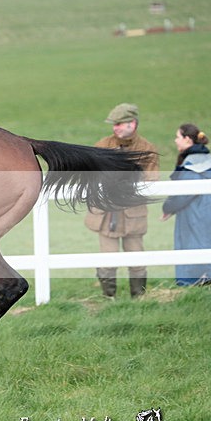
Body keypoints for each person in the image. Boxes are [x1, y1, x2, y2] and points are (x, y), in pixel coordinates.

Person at [84, 103, 159, 298]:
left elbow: (152, 179)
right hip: (106, 215)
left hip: (133, 214)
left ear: (132, 123)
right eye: (114, 124)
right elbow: (90, 175)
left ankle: (139, 298)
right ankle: (108, 299)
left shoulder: (147, 148)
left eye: (119, 124)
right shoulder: (103, 145)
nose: (115, 128)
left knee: (136, 259)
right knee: (108, 260)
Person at [161, 124, 211, 287]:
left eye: (177, 137)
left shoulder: (194, 162)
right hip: (206, 212)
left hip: (197, 216)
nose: (175, 140)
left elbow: (185, 192)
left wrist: (168, 207)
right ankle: (210, 288)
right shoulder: (203, 157)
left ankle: (198, 290)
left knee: (196, 250)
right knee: (207, 250)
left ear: (187, 139)